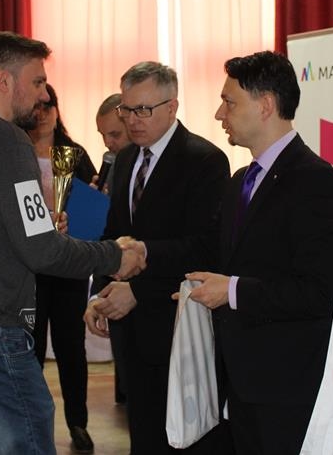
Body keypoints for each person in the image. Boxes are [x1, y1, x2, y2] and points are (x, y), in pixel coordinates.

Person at [0, 31, 144, 455]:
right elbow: (42, 249)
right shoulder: (6, 139)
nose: (43, 95)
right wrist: (115, 255)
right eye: (37, 82)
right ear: (4, 80)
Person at [131, 51, 333, 453]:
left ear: (265, 105)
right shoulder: (240, 181)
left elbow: (320, 291)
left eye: (229, 102)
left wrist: (231, 291)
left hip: (286, 387)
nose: (219, 114)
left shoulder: (316, 181)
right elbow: (210, 251)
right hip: (237, 382)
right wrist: (143, 255)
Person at [84, 61, 231, 454]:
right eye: (127, 109)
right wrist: (99, 294)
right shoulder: (125, 160)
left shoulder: (204, 160)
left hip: (177, 325)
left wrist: (139, 290)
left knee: (185, 441)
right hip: (130, 332)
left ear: (172, 106)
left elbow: (205, 248)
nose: (132, 120)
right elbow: (114, 237)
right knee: (143, 435)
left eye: (143, 110)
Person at [20, 83, 98, 454]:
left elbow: (94, 210)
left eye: (47, 106)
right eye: (36, 107)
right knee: (30, 346)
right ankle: (32, 423)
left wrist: (75, 218)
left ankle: (78, 423)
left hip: (67, 266)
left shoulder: (73, 153)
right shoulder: (15, 151)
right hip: (29, 267)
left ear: (56, 110)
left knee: (71, 347)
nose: (41, 114)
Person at [92, 92, 132, 405]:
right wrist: (89, 205)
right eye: (103, 135)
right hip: (112, 279)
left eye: (115, 134)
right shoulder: (112, 167)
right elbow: (95, 236)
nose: (108, 143)